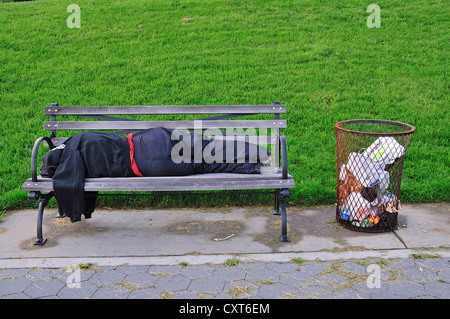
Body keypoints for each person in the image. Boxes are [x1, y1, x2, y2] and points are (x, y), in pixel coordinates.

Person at [41, 127, 274, 222]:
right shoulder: (79, 139)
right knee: (208, 145)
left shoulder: (72, 165)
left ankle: (254, 167)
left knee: (208, 165)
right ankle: (262, 153)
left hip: (149, 166)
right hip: (151, 139)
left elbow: (69, 184)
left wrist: (76, 211)